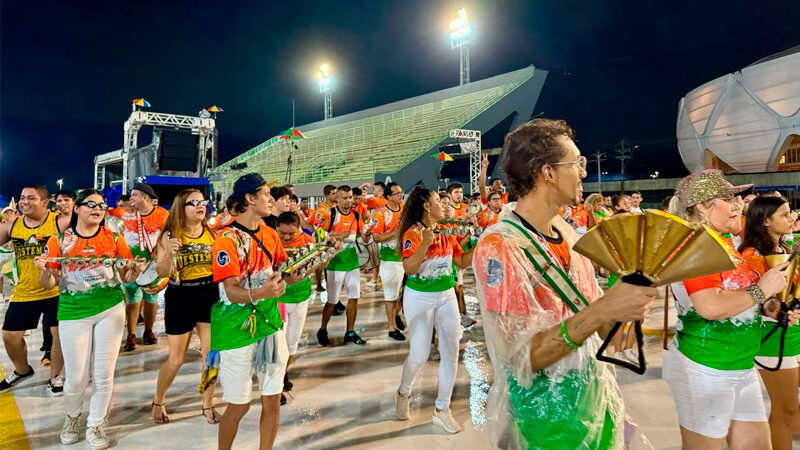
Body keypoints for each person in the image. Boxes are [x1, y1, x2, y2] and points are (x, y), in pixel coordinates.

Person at [472, 118, 658, 448]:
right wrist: (604, 309)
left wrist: (627, 301)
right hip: (544, 423)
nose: (584, 173)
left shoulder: (569, 235)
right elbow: (520, 356)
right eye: (577, 163)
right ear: (548, 172)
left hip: (595, 407)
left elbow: (605, 333)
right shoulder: (501, 247)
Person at [664, 169, 793, 449]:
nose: (739, 205)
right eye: (729, 199)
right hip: (706, 368)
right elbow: (710, 306)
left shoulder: (722, 243)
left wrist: (769, 310)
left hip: (739, 364)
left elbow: (736, 299)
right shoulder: (696, 245)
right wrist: (762, 289)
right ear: (702, 205)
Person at [35, 189, 143, 449]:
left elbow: (126, 278)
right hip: (74, 312)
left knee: (104, 374)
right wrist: (41, 270)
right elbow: (49, 283)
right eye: (91, 204)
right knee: (76, 377)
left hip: (111, 309)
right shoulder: (59, 241)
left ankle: (96, 423)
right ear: (77, 209)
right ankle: (72, 417)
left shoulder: (115, 239)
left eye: (102, 206)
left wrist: (135, 269)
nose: (97, 209)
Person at [211, 173, 297, 450]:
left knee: (272, 400)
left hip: (270, 325)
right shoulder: (226, 240)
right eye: (265, 194)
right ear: (249, 199)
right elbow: (232, 292)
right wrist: (262, 292)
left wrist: (318, 259)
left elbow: (284, 275)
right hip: (237, 331)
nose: (272, 199)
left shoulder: (270, 235)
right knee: (238, 405)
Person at [394, 186, 475, 433]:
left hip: (446, 296)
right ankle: (403, 392)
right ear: (427, 206)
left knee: (451, 352)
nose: (444, 203)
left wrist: (481, 246)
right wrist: (424, 245)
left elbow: (460, 261)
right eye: (439, 200)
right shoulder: (413, 233)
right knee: (418, 355)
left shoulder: (446, 232)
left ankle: (442, 409)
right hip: (419, 298)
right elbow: (409, 269)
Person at [150, 189, 221, 425]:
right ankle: (158, 400)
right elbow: (160, 273)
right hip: (181, 295)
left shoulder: (212, 233)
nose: (201, 206)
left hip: (209, 294)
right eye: (194, 202)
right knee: (176, 359)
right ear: (182, 207)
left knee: (211, 356)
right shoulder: (170, 235)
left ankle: (207, 403)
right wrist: (167, 256)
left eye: (203, 201)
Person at [739, 195, 799, 450]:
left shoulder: (785, 248)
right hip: (773, 338)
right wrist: (774, 309)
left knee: (791, 409)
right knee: (784, 410)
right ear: (765, 221)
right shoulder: (751, 255)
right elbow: (752, 299)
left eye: (790, 213)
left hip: (793, 332)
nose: (792, 218)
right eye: (784, 215)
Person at [0, 185, 65, 395]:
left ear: (45, 202)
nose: (24, 202)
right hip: (25, 291)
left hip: (56, 289)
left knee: (58, 334)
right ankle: (22, 370)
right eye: (21, 198)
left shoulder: (59, 222)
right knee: (10, 336)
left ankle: (55, 376)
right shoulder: (13, 225)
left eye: (31, 198)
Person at [316, 185, 371, 346]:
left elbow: (364, 238)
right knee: (332, 300)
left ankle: (350, 331)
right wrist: (339, 236)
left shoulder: (356, 214)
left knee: (354, 297)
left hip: (352, 263)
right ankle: (323, 329)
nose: (349, 201)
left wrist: (367, 233)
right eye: (345, 198)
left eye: (351, 197)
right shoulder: (330, 214)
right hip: (335, 264)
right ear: (337, 199)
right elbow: (319, 237)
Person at [120, 183, 168, 351]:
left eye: (134, 195)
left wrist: (161, 251)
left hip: (154, 263)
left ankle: (148, 331)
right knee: (132, 298)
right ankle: (131, 335)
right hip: (132, 262)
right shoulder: (127, 214)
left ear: (145, 197)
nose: (130, 198)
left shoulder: (162, 214)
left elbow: (171, 235)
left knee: (151, 297)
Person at [372, 182, 406, 341]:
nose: (401, 195)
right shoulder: (381, 213)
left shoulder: (404, 209)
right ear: (388, 197)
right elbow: (377, 237)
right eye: (397, 193)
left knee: (404, 294)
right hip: (390, 259)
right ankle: (391, 328)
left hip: (407, 256)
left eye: (401, 192)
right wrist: (395, 232)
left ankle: (396, 314)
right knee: (391, 295)